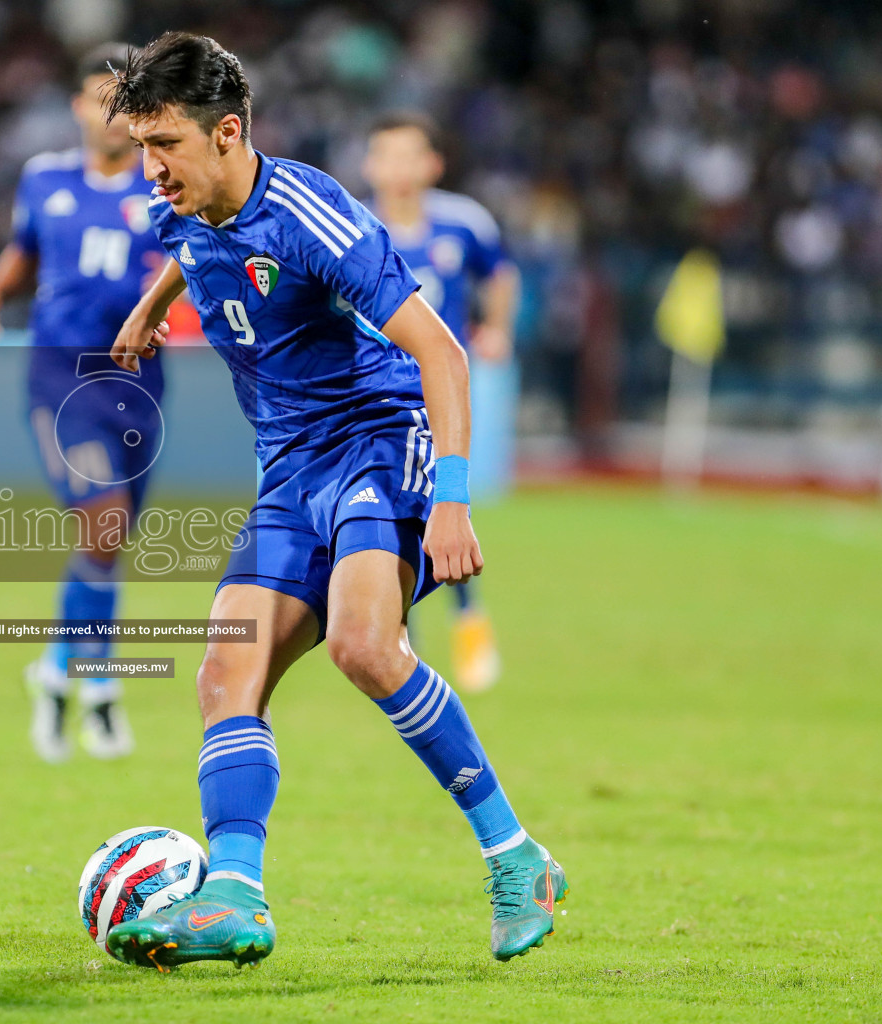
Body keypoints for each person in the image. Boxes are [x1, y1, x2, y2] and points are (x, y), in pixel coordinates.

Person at [98, 33, 568, 970]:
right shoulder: (178, 212)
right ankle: (235, 894)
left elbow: (442, 351)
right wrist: (152, 308)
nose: (148, 169)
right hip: (288, 470)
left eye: (166, 146)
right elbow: (191, 250)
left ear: (228, 133)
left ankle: (519, 859)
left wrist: (454, 502)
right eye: (142, 146)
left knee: (363, 644)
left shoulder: (314, 214)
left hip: (378, 440)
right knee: (224, 675)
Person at [0, 44, 167, 763]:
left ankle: (53, 668)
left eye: (123, 99)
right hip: (58, 380)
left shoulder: (163, 182)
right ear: (78, 107)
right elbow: (22, 250)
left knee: (104, 545)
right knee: (103, 523)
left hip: (141, 383)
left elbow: (193, 267)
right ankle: (101, 691)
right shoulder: (43, 179)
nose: (108, 112)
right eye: (97, 98)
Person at [362, 110, 520, 692]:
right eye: (387, 156)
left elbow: (500, 275)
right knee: (389, 515)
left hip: (438, 395)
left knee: (442, 506)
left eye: (411, 156)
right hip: (370, 397)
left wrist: (497, 328)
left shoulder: (463, 222)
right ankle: (410, 640)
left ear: (433, 164)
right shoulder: (351, 226)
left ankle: (468, 621)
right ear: (369, 165)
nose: (399, 169)